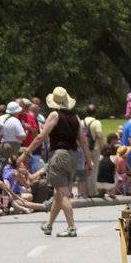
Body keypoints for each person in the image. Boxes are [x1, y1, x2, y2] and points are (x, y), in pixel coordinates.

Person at [22, 86, 84, 237]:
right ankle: (49, 225)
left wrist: (26, 152)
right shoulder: (75, 117)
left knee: (62, 194)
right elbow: (83, 140)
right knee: (58, 193)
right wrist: (88, 160)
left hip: (60, 154)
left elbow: (40, 137)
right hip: (74, 155)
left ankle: (71, 227)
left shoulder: (54, 115)